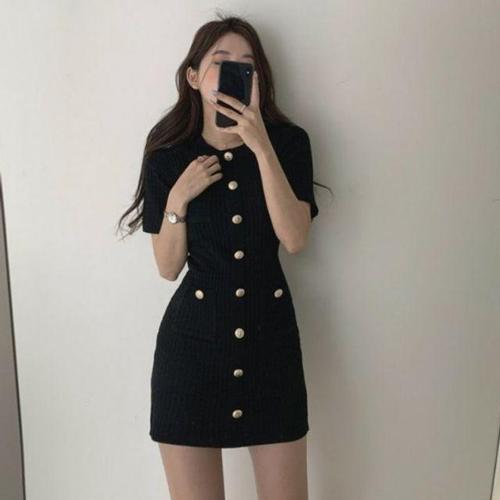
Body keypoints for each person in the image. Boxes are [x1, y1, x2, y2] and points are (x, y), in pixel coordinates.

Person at [118, 13, 327, 500]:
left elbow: (295, 238)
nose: (235, 71)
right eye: (221, 61)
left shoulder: (288, 144)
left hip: (271, 346)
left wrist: (261, 146)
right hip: (191, 352)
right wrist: (178, 198)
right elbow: (168, 267)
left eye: (247, 65)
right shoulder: (169, 155)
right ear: (194, 77)